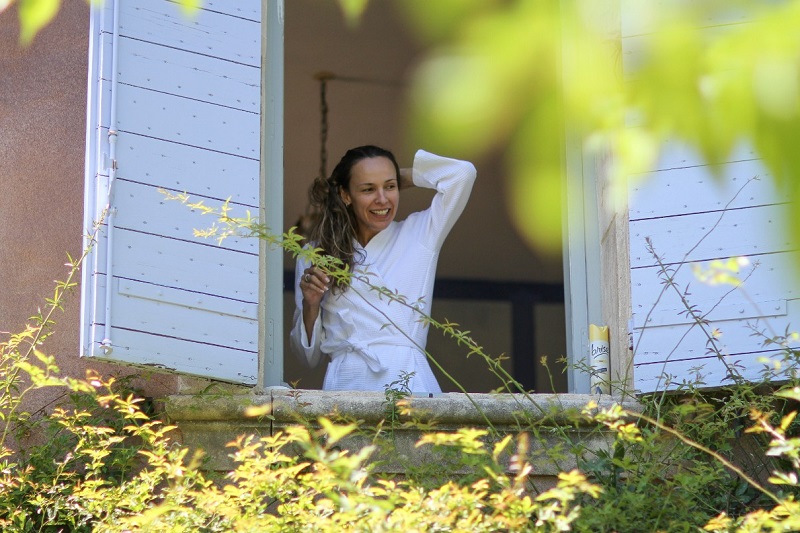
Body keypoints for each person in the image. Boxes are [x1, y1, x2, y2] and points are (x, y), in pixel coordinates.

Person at [290, 145, 476, 393]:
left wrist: (400, 178)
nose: (382, 199)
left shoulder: (420, 234)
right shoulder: (316, 254)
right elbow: (307, 357)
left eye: (389, 187)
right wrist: (311, 303)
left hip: (409, 382)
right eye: (368, 189)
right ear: (346, 195)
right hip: (345, 385)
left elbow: (462, 173)